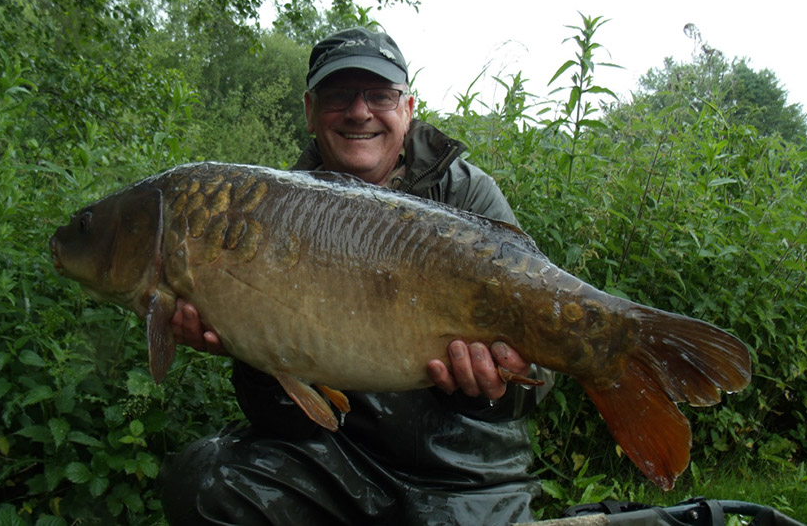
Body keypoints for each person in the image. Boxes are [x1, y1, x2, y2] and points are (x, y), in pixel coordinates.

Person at [159, 27, 552, 525]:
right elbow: (283, 419)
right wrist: (244, 342)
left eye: (380, 95)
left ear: (408, 109)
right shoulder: (270, 210)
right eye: (338, 95)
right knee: (203, 484)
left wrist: (488, 389)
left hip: (464, 466)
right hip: (336, 455)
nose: (359, 111)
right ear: (309, 110)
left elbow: (539, 383)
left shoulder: (467, 198)